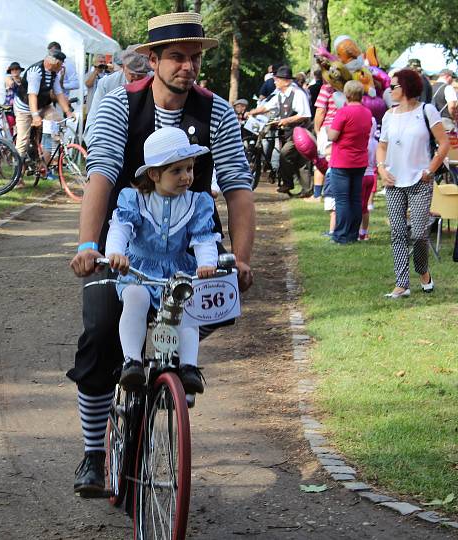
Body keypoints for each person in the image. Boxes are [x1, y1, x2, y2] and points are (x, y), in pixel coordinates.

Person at [68, 12, 255, 496]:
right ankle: (94, 454)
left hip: (190, 252)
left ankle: (171, 375)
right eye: (176, 56)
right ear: (152, 60)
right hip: (125, 249)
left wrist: (242, 257)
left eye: (194, 58)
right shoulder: (117, 106)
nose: (187, 67)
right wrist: (90, 246)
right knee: (100, 331)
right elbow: (102, 175)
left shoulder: (216, 113)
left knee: (189, 315)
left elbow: (236, 186)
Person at [105, 127, 218, 392]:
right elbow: (121, 227)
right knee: (136, 298)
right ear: (154, 174)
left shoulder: (196, 203)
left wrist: (206, 263)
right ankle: (131, 361)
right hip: (140, 269)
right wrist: (115, 253)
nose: (186, 177)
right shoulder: (136, 200)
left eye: (189, 169)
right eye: (176, 171)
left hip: (178, 270)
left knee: (188, 310)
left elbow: (203, 238)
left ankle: (188, 367)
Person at [376, 68, 449, 298]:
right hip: (393, 181)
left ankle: (423, 271)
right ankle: (402, 284)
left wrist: (430, 169)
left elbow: (444, 143)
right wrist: (381, 168)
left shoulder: (426, 111)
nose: (390, 91)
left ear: (405, 87)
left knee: (419, 234)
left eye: (393, 87)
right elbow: (382, 146)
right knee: (397, 232)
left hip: (420, 180)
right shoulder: (388, 115)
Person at [247, 65, 313, 196]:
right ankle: (307, 190)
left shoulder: (297, 94)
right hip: (289, 133)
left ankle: (288, 183)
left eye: (278, 79)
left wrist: (285, 121)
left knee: (285, 154)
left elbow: (305, 115)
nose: (275, 82)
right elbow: (266, 107)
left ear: (287, 81)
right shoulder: (280, 95)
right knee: (301, 161)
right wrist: (252, 112)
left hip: (300, 132)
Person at [326, 80, 373, 244]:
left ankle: (341, 235)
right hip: (360, 161)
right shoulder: (367, 113)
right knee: (355, 199)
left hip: (342, 161)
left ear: (346, 94)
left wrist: (327, 129)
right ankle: (353, 234)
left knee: (342, 200)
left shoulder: (343, 112)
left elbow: (333, 135)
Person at [13, 51, 75, 163]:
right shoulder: (36, 72)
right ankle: (18, 174)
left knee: (58, 122)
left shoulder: (54, 73)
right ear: (53, 63)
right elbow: (32, 96)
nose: (61, 68)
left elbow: (59, 93)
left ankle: (50, 158)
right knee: (23, 140)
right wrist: (35, 116)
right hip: (25, 108)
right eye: (60, 65)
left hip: (43, 106)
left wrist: (68, 111)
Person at [85, 47, 150, 140]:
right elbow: (93, 121)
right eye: (132, 74)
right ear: (123, 67)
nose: (135, 78)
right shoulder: (106, 84)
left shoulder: (155, 81)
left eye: (140, 75)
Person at [3, 61, 23, 133]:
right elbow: (11, 84)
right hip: (9, 108)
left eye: (16, 69)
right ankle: (7, 144)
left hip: (20, 108)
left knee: (20, 130)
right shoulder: (8, 78)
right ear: (10, 71)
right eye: (12, 69)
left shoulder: (23, 80)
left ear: (20, 70)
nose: (15, 71)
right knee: (9, 129)